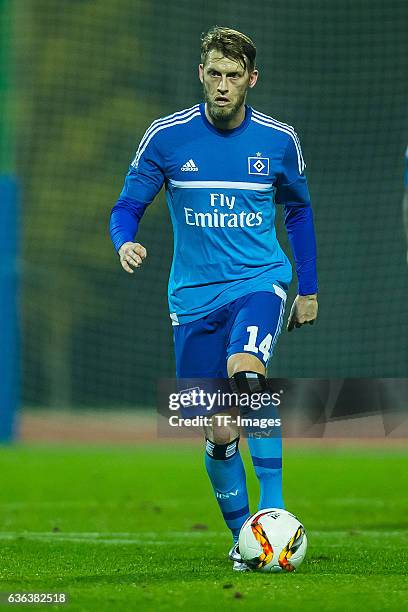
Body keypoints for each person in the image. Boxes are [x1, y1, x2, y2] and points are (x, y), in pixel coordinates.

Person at [110, 26, 318, 571]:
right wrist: (125, 241)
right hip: (193, 299)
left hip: (259, 281)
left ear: (251, 79)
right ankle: (244, 539)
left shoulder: (278, 140)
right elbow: (126, 207)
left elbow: (297, 212)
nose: (223, 85)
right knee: (219, 426)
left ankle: (274, 510)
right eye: (214, 74)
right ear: (201, 74)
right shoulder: (166, 138)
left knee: (246, 373)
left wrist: (308, 288)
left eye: (233, 76)